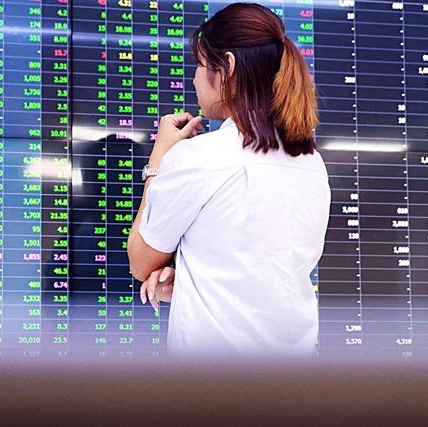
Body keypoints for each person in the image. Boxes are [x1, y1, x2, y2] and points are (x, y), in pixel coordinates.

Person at [127, 3, 330, 357]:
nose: (193, 78)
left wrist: (159, 157)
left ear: (228, 68)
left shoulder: (201, 158)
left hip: (217, 391)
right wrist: (193, 277)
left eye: (200, 65)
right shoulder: (313, 163)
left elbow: (141, 260)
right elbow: (260, 267)